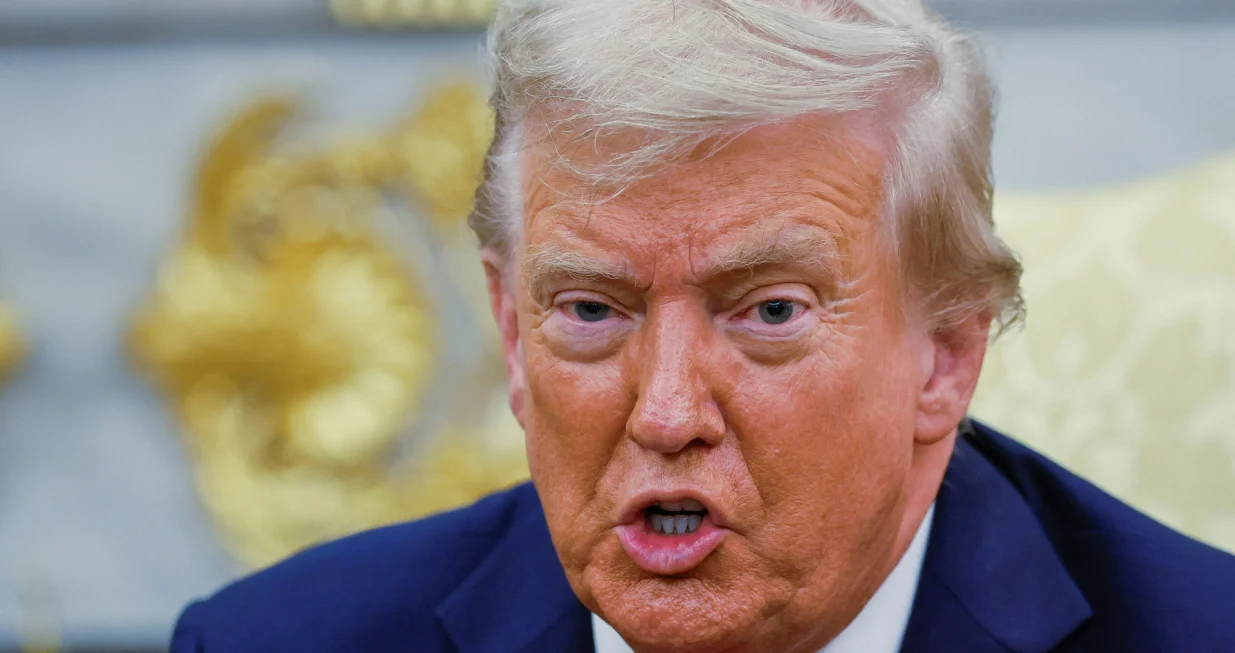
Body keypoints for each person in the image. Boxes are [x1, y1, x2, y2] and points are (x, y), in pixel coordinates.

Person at [170, 1, 1235, 651]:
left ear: (944, 353)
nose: (666, 412)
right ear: (507, 326)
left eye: (768, 311)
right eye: (589, 310)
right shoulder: (273, 642)